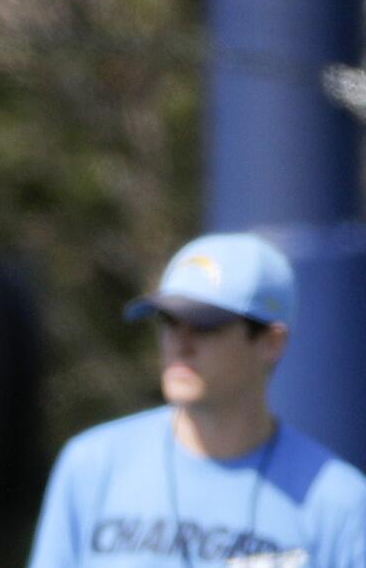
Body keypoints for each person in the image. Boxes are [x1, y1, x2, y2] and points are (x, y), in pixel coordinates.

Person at [28, 233, 366, 567]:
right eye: (169, 321)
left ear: (271, 343)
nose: (180, 343)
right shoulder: (90, 465)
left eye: (206, 326)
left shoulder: (341, 504)